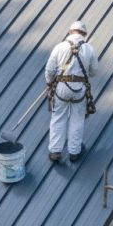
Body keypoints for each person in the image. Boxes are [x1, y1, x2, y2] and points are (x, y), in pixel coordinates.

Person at [45, 21, 98, 163]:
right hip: (80, 88)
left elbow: (50, 69)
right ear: (84, 34)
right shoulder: (89, 49)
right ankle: (74, 152)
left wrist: (49, 82)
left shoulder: (60, 47)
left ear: (70, 32)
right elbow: (94, 72)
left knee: (58, 118)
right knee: (77, 119)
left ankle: (55, 151)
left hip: (62, 87)